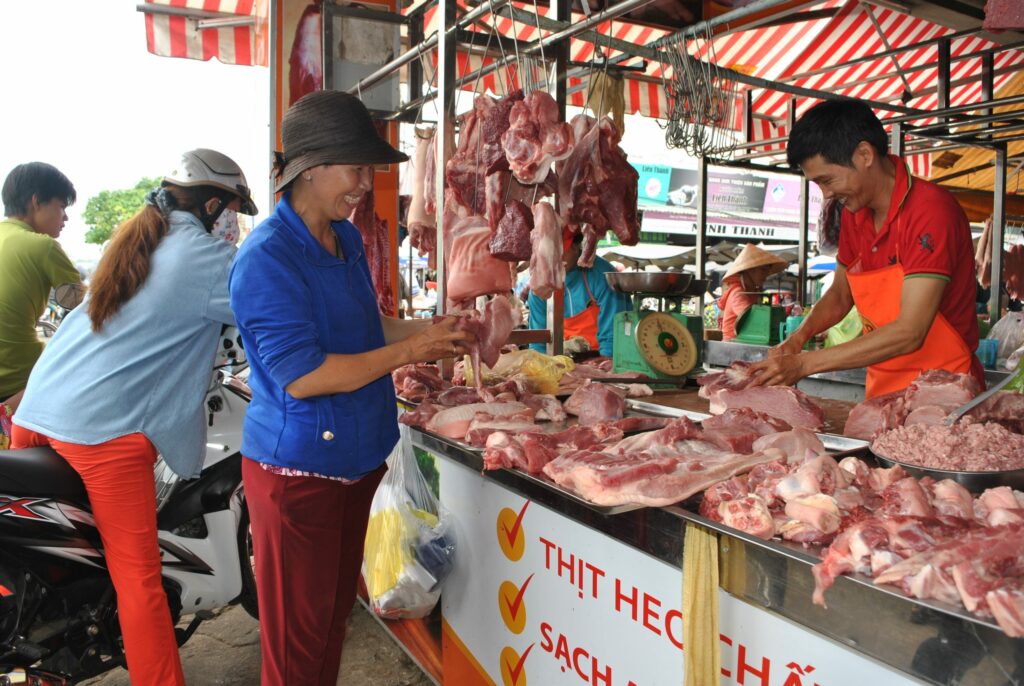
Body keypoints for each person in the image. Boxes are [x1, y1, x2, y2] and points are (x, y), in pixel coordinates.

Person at [228, 90, 472, 686]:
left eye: (370, 169)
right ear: (310, 168)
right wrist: (411, 351)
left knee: (331, 623)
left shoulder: (347, 238)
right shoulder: (266, 257)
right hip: (298, 478)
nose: (367, 184)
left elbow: (368, 324)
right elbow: (303, 375)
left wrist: (434, 329)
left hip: (355, 468)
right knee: (297, 647)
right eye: (356, 168)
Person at [10, 149, 258, 685]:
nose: (236, 224)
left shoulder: (136, 239)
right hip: (100, 431)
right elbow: (276, 313)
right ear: (213, 205)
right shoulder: (207, 257)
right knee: (138, 581)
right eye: (235, 211)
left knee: (70, 553)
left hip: (39, 410)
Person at [749, 99, 983, 398]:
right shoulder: (854, 214)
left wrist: (804, 364)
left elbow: (910, 331)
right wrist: (798, 338)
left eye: (827, 180)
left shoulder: (930, 211)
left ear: (864, 154)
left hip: (944, 391)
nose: (826, 194)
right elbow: (840, 295)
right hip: (884, 390)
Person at [0, 162, 84, 413]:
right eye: (62, 206)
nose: (65, 217)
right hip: (17, 378)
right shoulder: (42, 246)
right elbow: (88, 308)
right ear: (36, 202)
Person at [528, 231, 631, 356]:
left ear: (576, 246)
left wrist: (600, 365)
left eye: (560, 251)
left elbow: (613, 341)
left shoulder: (603, 276)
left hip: (604, 357)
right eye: (548, 252)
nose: (554, 258)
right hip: (562, 361)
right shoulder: (540, 285)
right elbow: (538, 345)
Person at [717, 243, 787, 341]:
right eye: (763, 270)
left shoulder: (753, 291)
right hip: (732, 344)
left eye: (767, 271)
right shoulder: (738, 293)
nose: (766, 275)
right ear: (750, 270)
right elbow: (754, 320)